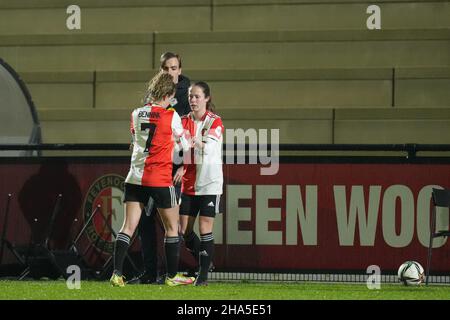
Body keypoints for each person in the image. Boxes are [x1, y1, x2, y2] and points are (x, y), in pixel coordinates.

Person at [110, 72, 193, 287]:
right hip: (160, 178)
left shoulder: (136, 113)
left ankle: (117, 274)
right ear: (167, 94)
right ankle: (172, 276)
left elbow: (136, 140)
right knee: (172, 228)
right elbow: (185, 145)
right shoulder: (171, 115)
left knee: (127, 227)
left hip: (135, 177)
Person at [132, 52, 191, 284]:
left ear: (180, 69)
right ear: (161, 70)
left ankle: (179, 271)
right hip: (153, 168)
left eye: (174, 68)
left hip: (174, 168)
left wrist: (184, 165)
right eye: (166, 69)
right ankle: (150, 272)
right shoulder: (154, 94)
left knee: (176, 224)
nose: (171, 72)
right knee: (146, 221)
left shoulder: (187, 94)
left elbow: (189, 132)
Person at [178, 81, 224, 286]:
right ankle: (205, 261)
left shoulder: (215, 122)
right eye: (190, 96)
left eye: (197, 96)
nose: (193, 100)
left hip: (209, 182)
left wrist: (188, 138)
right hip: (189, 182)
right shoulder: (182, 121)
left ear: (207, 98)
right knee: (183, 230)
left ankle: (203, 276)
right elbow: (180, 149)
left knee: (205, 228)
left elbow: (207, 148)